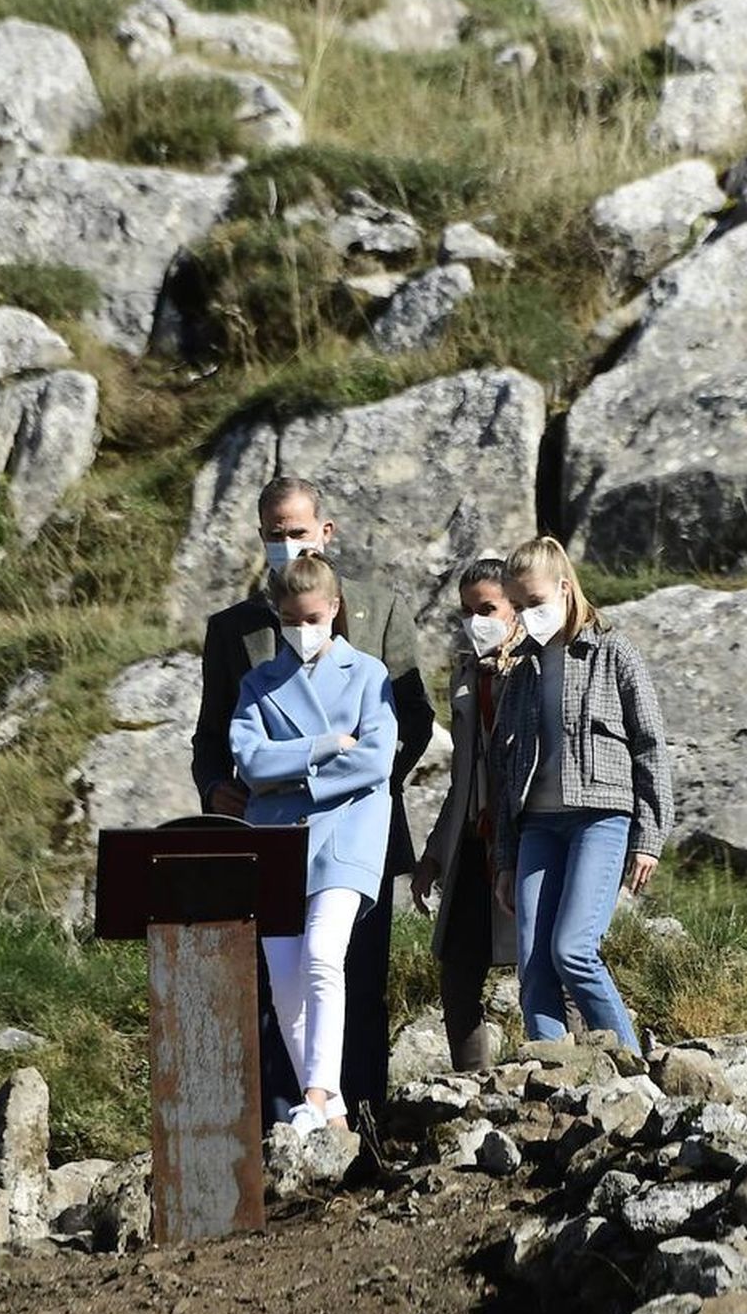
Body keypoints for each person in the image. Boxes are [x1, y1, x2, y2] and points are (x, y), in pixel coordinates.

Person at [191, 473, 434, 1127]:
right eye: (274, 535)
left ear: (326, 532)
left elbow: (409, 724)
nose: (287, 544)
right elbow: (214, 737)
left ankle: (366, 1124)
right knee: (278, 985)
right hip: (266, 835)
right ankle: (286, 1128)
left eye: (297, 531)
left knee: (359, 979)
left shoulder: (381, 609)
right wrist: (218, 788)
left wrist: (358, 790)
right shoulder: (233, 629)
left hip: (361, 834)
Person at [231, 554, 397, 1131]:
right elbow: (249, 761)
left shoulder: (370, 674)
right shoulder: (259, 682)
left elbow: (377, 761)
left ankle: (322, 1094)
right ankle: (330, 1114)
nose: (301, 630)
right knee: (284, 978)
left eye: (311, 617)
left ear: (333, 609)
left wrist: (292, 774)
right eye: (289, 620)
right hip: (276, 839)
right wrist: (325, 746)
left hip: (349, 832)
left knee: (325, 954)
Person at [490, 534, 673, 1053]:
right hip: (538, 829)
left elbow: (650, 744)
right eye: (519, 606)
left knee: (573, 950)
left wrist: (649, 836)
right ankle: (550, 1076)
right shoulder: (520, 670)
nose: (527, 616)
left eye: (536, 603)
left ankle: (632, 1065)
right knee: (532, 964)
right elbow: (505, 772)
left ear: (566, 590)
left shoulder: (614, 652)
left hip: (601, 819)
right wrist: (506, 858)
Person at [410, 558, 519, 1071]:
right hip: (474, 844)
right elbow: (462, 780)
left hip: (526, 840)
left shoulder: (537, 669)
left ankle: (578, 1070)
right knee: (457, 968)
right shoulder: (465, 676)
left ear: (515, 609)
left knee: (549, 964)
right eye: (466, 611)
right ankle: (471, 1083)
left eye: (488, 608)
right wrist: (433, 856)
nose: (476, 621)